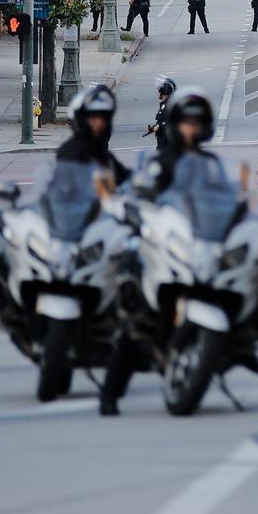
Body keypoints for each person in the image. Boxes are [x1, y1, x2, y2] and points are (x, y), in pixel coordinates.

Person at [99, 88, 222, 414]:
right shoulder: (162, 161)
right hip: (164, 247)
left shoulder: (210, 165)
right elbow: (142, 196)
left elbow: (227, 202)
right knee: (140, 318)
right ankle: (110, 393)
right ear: (175, 125)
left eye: (197, 123)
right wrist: (137, 213)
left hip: (200, 248)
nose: (191, 129)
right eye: (186, 123)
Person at [146, 76, 176, 151]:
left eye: (159, 90)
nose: (157, 92)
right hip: (162, 144)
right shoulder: (164, 104)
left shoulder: (170, 105)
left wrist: (159, 126)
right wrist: (154, 128)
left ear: (162, 92)